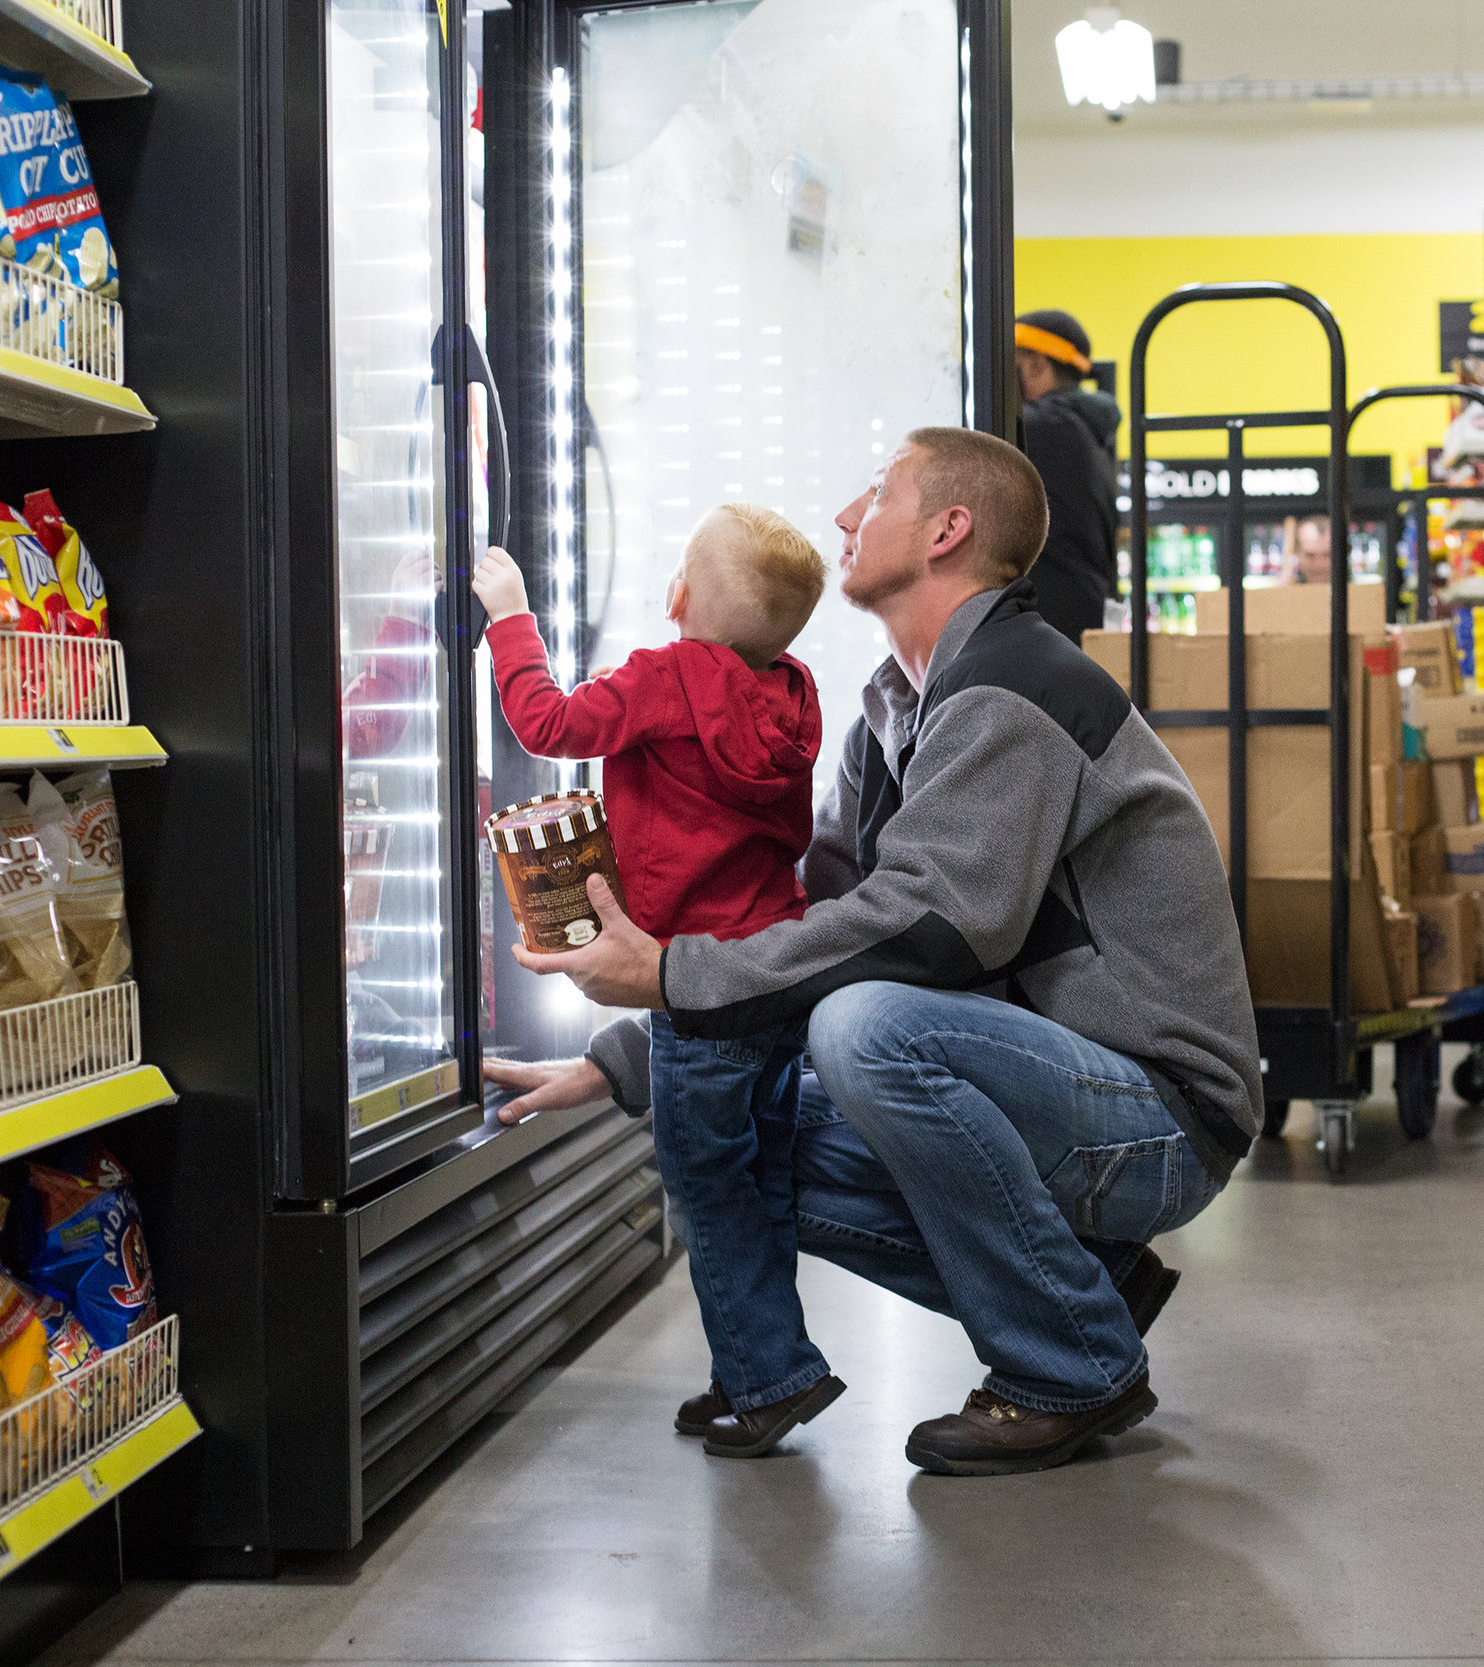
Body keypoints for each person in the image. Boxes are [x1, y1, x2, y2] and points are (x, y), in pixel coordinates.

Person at [483, 428, 1262, 1476]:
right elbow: (815, 922)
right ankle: (1089, 1287)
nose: (846, 516)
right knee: (718, 1118)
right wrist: (628, 1057)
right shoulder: (895, 712)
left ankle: (1068, 1365)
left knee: (868, 1025)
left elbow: (925, 928)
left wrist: (671, 973)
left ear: (946, 530)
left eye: (876, 492)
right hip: (1058, 1083)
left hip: (1161, 1114)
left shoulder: (1012, 688)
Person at [472, 504, 837, 1461]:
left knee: (705, 1187)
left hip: (685, 985)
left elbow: (544, 721)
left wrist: (510, 615)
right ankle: (750, 1362)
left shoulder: (664, 677)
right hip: (767, 979)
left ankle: (769, 1377)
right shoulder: (794, 695)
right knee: (757, 1178)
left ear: (679, 595)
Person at [1013, 309, 1121, 641]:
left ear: (1035, 364)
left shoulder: (1042, 427)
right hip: (1070, 628)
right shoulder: (1084, 432)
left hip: (1044, 631)